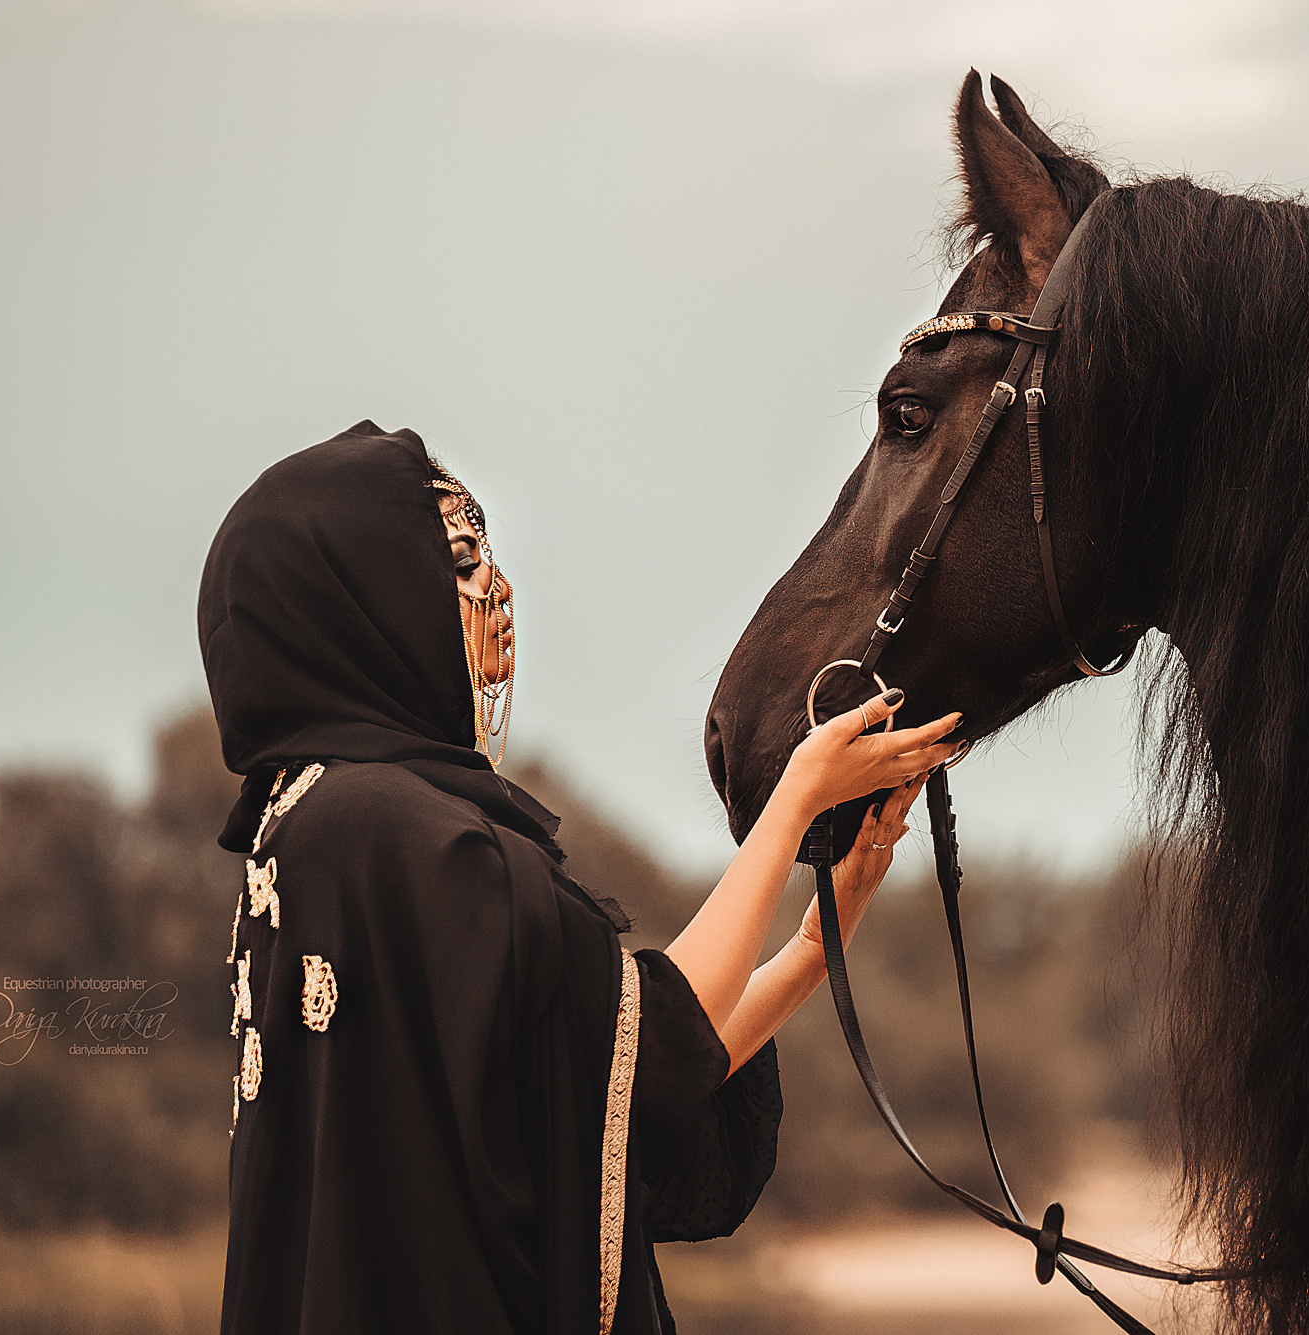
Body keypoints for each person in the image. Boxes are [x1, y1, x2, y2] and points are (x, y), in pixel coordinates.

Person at [198, 420, 959, 1334]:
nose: (497, 587)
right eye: (461, 560)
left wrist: (809, 946)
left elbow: (612, 1075)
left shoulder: (320, 827)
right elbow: (649, 1045)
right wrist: (795, 796)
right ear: (356, 599)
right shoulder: (392, 831)